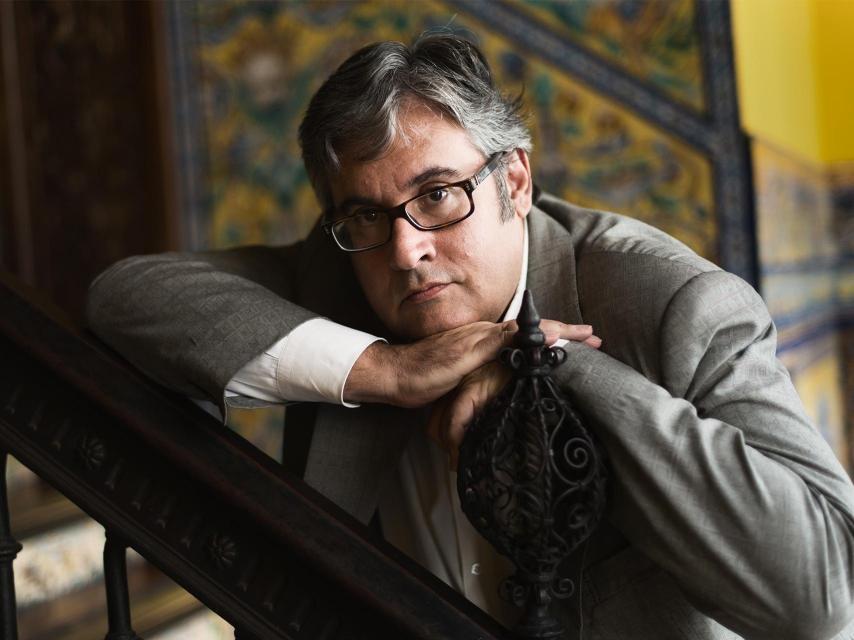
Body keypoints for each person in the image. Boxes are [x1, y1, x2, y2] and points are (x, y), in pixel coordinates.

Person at [87, 34, 854, 639]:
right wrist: (386, 370)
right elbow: (126, 297)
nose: (406, 250)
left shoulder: (677, 306)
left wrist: (545, 361)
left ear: (514, 181)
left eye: (438, 194)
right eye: (365, 213)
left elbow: (823, 594)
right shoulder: (350, 267)